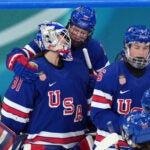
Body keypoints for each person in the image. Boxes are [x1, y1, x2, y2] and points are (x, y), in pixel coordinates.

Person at [1, 22, 94, 150]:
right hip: (44, 144)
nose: (67, 40)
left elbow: (91, 110)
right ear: (49, 38)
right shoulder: (31, 70)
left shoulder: (79, 68)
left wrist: (98, 84)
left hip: (78, 142)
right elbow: (11, 122)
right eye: (62, 36)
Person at [6, 5, 109, 81]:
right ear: (69, 24)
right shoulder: (50, 36)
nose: (77, 35)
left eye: (83, 32)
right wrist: (18, 63)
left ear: (90, 33)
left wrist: (98, 82)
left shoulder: (95, 48)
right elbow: (16, 55)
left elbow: (108, 78)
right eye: (75, 29)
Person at [90, 25, 150, 149]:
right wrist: (124, 125)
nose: (141, 52)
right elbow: (98, 114)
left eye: (146, 48)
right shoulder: (109, 74)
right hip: (112, 142)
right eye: (136, 47)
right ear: (127, 47)